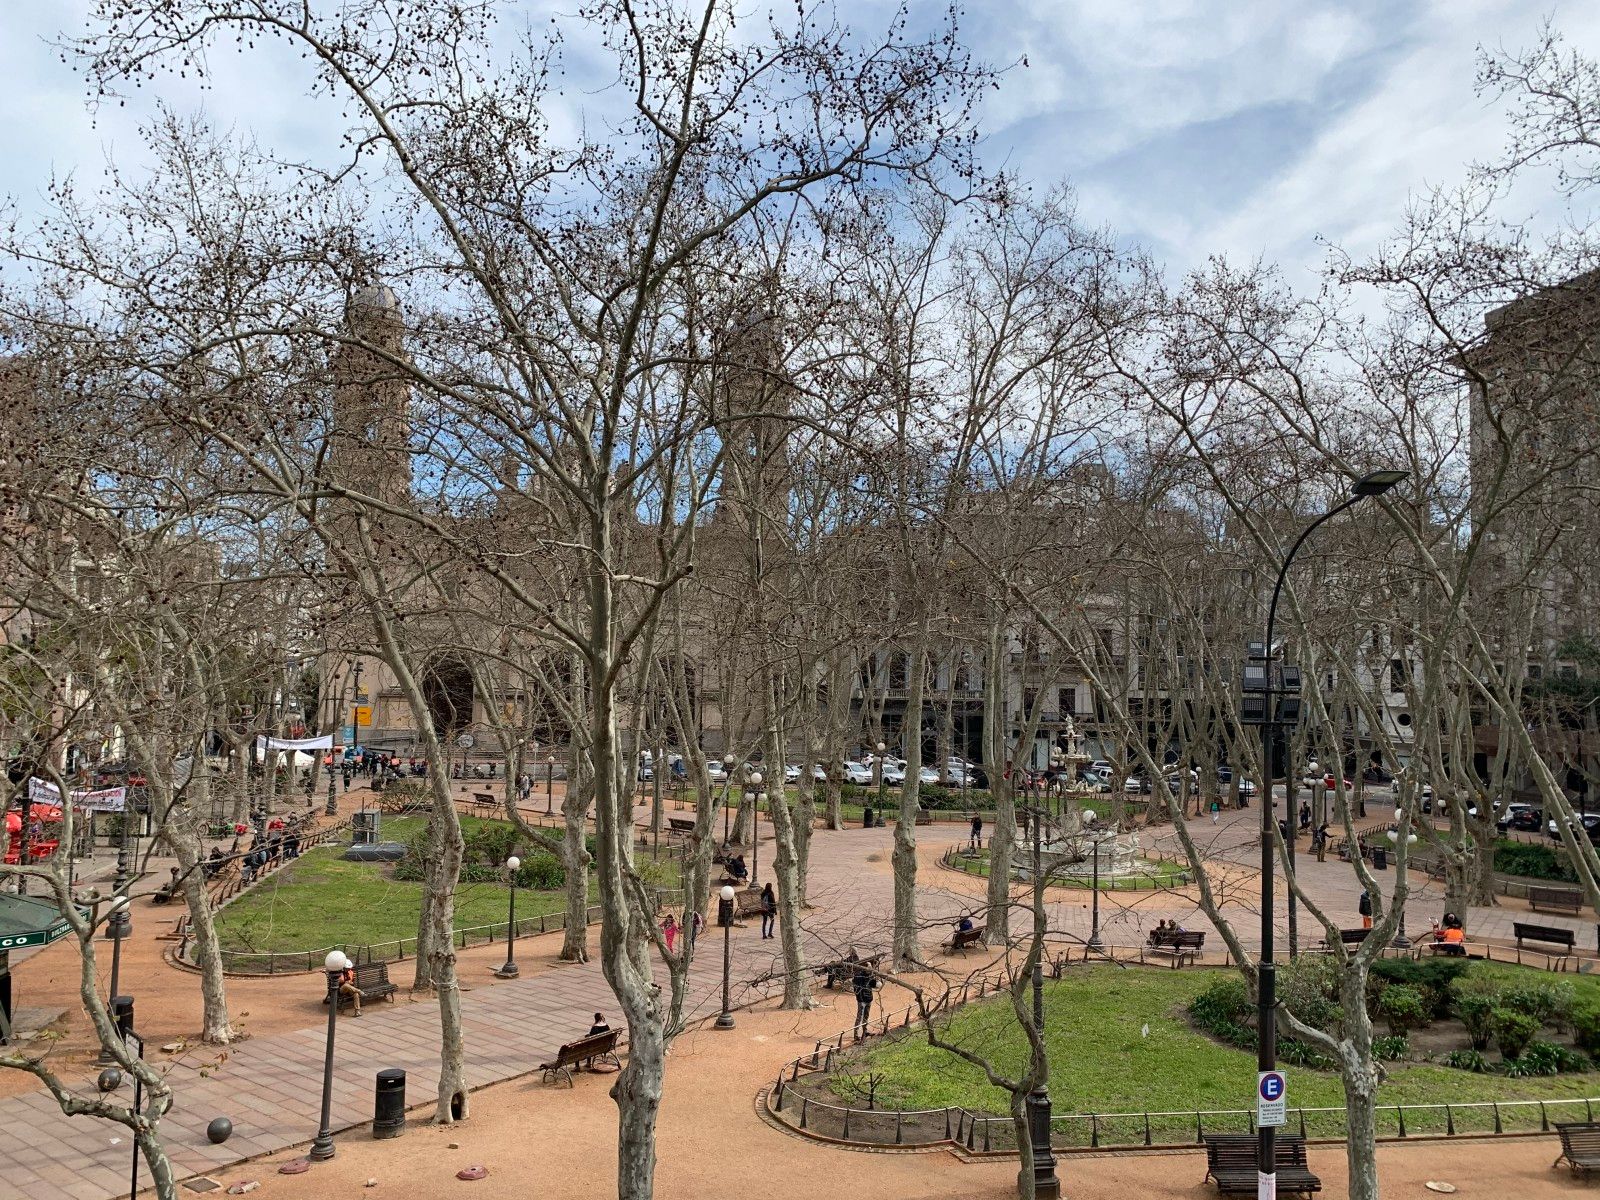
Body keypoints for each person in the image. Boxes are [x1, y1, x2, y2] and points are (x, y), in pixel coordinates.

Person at [851, 960, 879, 1041]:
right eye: (869, 969)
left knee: (866, 1016)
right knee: (859, 1017)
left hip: (868, 999)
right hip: (862, 1000)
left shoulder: (869, 975)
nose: (870, 971)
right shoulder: (858, 977)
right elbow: (857, 989)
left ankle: (865, 1031)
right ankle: (856, 1035)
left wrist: (876, 983)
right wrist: (860, 999)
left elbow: (872, 984)